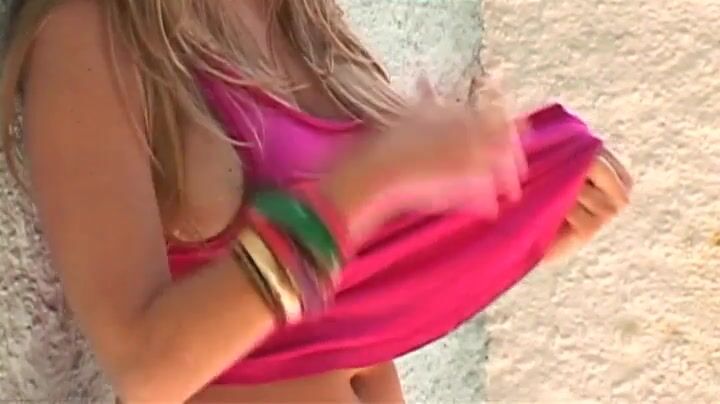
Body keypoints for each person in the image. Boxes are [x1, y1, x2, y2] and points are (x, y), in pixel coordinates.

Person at [0, 0, 632, 402]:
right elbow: (146, 368)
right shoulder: (92, 33)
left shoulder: (304, 24)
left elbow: (350, 280)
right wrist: (366, 182)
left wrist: (512, 230)